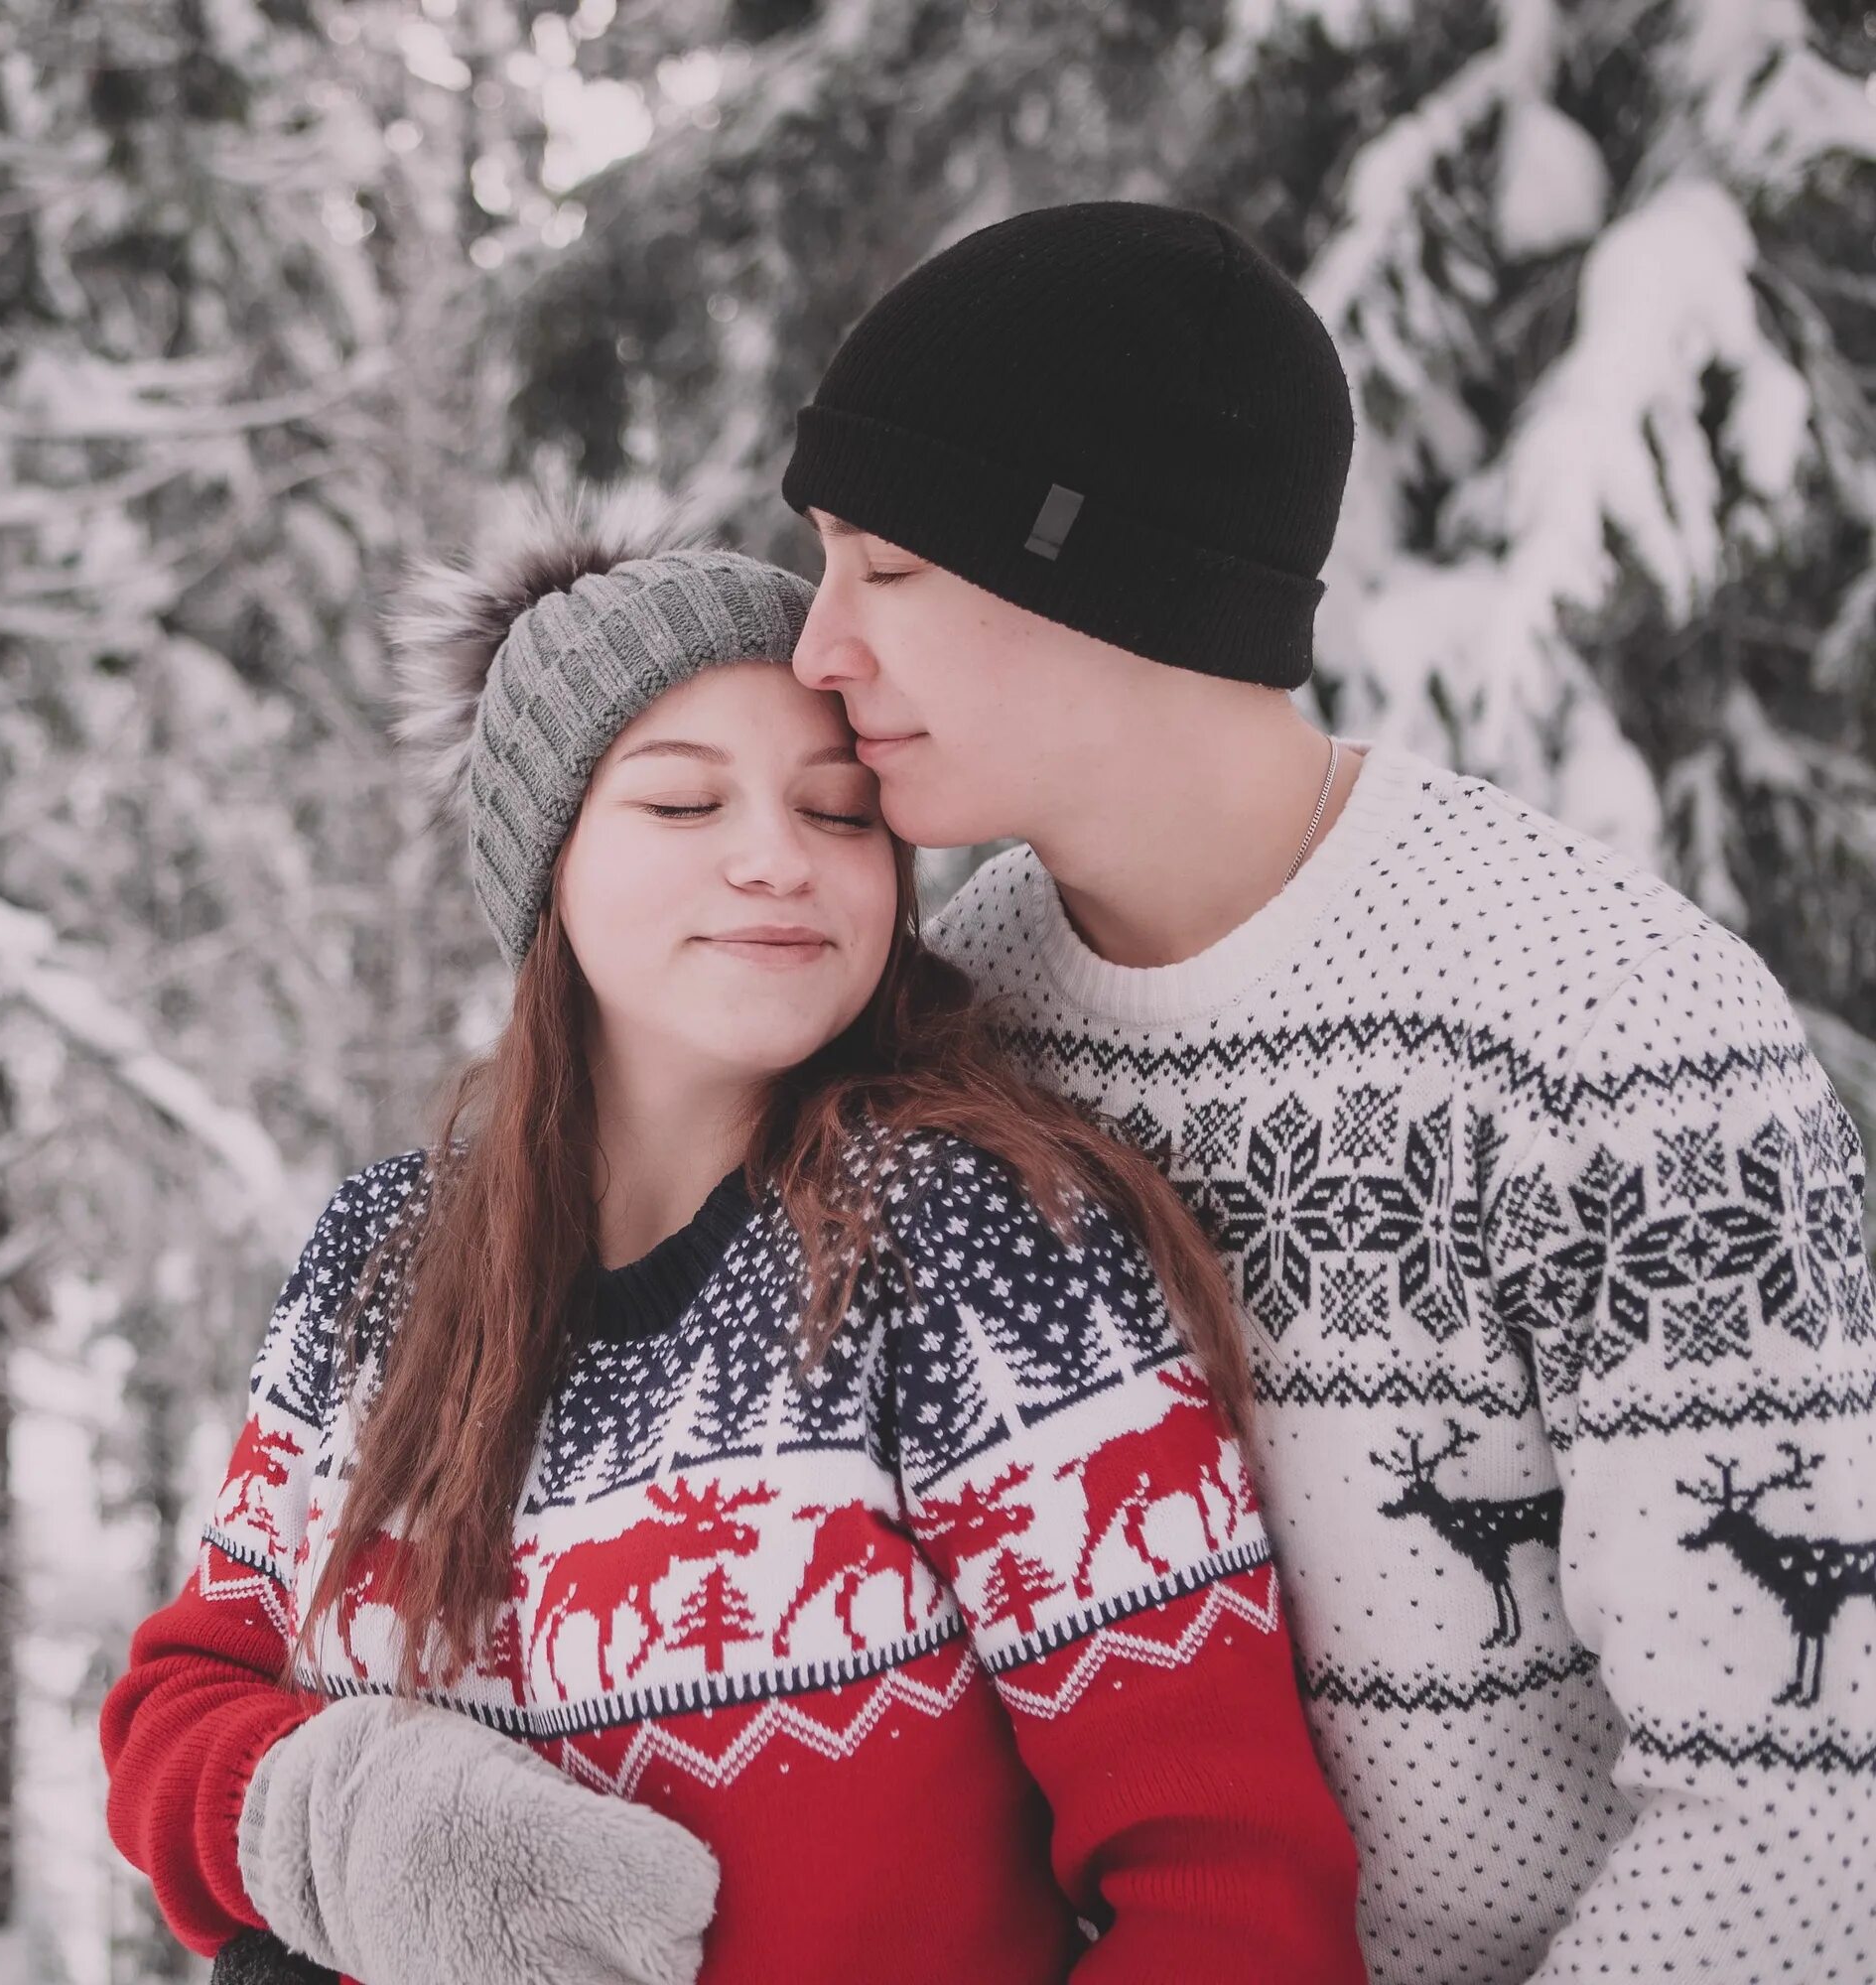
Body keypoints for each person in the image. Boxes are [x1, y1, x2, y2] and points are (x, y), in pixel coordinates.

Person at [779, 199, 1876, 1984]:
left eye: (887, 570)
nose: (821, 648)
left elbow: (1808, 1811)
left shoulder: (1609, 1037)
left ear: (1099, 569)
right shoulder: (949, 1023)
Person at [98, 501, 1365, 1985]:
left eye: (837, 811)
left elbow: (1227, 1895)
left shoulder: (967, 1247)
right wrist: (361, 1826)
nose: (775, 859)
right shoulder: (385, 1259)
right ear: (545, 865)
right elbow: (184, 1697)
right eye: (684, 804)